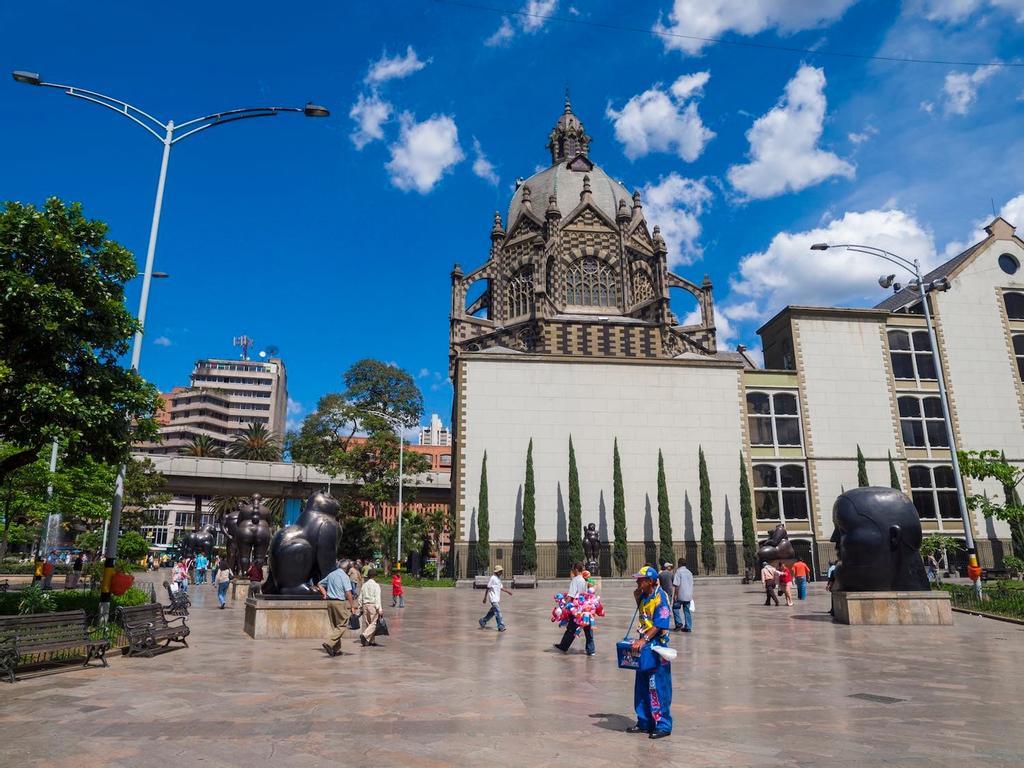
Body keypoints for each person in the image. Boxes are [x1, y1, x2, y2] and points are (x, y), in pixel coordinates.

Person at [625, 566, 673, 739]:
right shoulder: (644, 596)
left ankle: (663, 724)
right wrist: (637, 596)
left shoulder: (661, 597)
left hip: (656, 648)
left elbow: (660, 624)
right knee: (642, 685)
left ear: (651, 581)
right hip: (644, 647)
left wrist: (643, 640)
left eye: (641, 580)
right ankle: (644, 721)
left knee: (658, 687)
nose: (638, 582)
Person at [317, 559, 358, 657]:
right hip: (339, 602)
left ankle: (335, 649)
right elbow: (348, 592)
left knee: (335, 626)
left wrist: (325, 593)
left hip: (330, 602)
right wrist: (352, 606)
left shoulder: (331, 574)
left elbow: (319, 584)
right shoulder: (344, 576)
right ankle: (329, 643)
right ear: (347, 568)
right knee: (343, 624)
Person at [554, 563, 594, 655]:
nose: (572, 571)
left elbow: (571, 595)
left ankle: (563, 646)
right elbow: (590, 590)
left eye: (572, 569)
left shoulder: (575, 580)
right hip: (587, 606)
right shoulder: (586, 579)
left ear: (576, 569)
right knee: (588, 628)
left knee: (571, 628)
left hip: (577, 608)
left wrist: (564, 605)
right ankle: (591, 650)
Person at [479, 564, 512, 631]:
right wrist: (485, 598)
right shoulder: (493, 578)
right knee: (498, 612)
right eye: (500, 571)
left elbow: (501, 588)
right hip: (493, 599)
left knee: (492, 612)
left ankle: (483, 620)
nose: (502, 573)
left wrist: (508, 592)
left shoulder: (498, 579)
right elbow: (488, 588)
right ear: (497, 572)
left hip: (497, 599)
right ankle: (501, 626)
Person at [358, 567, 383, 647]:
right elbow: (377, 597)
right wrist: (379, 609)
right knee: (374, 623)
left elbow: (360, 597)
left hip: (365, 605)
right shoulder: (376, 585)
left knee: (368, 623)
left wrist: (360, 606)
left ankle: (371, 641)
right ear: (375, 576)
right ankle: (365, 635)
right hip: (373, 605)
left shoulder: (364, 585)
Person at [671, 557, 694, 632]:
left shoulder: (679, 572)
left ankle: (678, 623)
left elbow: (677, 585)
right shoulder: (689, 572)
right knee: (687, 611)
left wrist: (675, 595)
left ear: (680, 564)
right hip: (688, 595)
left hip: (680, 594)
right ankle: (688, 627)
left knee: (675, 608)